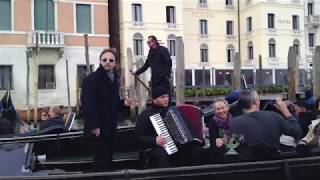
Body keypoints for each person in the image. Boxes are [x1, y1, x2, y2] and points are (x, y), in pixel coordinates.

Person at [81, 49, 133, 172]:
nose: (107, 62)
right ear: (100, 61)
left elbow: (112, 103)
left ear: (115, 63)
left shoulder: (114, 79)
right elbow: (88, 104)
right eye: (104, 60)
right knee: (101, 161)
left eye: (111, 60)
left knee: (107, 159)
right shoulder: (91, 79)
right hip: (97, 128)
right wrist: (94, 126)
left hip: (109, 127)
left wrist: (124, 103)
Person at [135, 87, 204, 168]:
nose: (166, 99)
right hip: (157, 147)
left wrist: (202, 130)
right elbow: (138, 137)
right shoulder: (146, 114)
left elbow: (191, 128)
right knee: (161, 154)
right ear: (154, 100)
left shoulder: (175, 111)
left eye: (167, 96)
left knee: (197, 150)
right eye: (162, 97)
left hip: (180, 145)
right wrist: (155, 140)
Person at [229, 89, 302, 160]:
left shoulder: (234, 123)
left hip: (247, 167)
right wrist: (285, 110)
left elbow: (232, 148)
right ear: (257, 101)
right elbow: (297, 132)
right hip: (273, 165)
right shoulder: (273, 116)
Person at [205, 98, 232, 163]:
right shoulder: (212, 122)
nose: (221, 111)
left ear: (228, 108)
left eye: (223, 108)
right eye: (218, 109)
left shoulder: (234, 119)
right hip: (219, 152)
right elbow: (213, 142)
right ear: (214, 111)